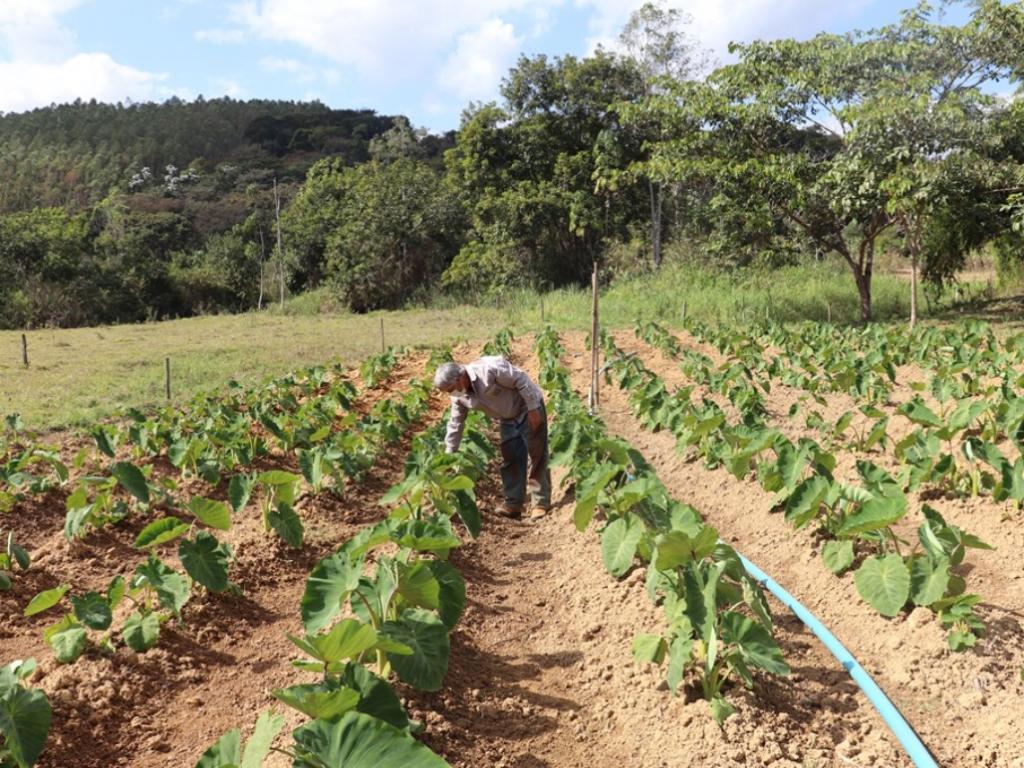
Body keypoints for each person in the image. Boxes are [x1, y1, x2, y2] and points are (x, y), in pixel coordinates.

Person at [433, 357, 551, 520]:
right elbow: (456, 423)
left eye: (451, 388)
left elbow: (521, 379)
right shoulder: (458, 396)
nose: (451, 393)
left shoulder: (489, 369)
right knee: (511, 458)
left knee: (537, 455)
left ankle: (540, 502)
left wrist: (533, 408)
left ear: (460, 377)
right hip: (506, 417)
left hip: (526, 408)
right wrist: (448, 454)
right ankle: (514, 504)